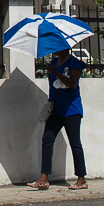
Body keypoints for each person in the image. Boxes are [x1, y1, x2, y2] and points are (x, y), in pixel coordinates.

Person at [28, 48, 88, 190]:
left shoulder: (74, 63)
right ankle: (44, 178)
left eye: (57, 46)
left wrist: (55, 72)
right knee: (47, 140)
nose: (53, 49)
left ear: (65, 47)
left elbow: (72, 84)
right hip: (55, 109)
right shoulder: (54, 62)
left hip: (71, 110)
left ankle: (81, 178)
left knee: (75, 144)